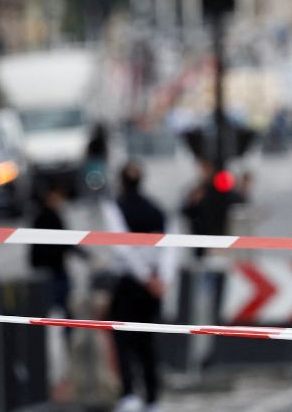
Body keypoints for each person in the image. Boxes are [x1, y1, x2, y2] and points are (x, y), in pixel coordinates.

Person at [104, 162, 174, 412]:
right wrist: (161, 280)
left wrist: (144, 277)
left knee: (123, 339)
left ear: (121, 182)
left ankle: (130, 394)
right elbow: (169, 247)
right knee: (147, 342)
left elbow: (121, 248)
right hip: (153, 285)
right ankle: (152, 397)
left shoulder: (115, 208)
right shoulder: (158, 210)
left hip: (129, 284)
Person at [29, 183, 84, 318]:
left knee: (58, 306)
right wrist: (86, 256)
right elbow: (65, 242)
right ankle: (64, 335)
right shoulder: (48, 217)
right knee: (61, 306)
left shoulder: (43, 216)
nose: (60, 200)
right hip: (52, 270)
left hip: (50, 269)